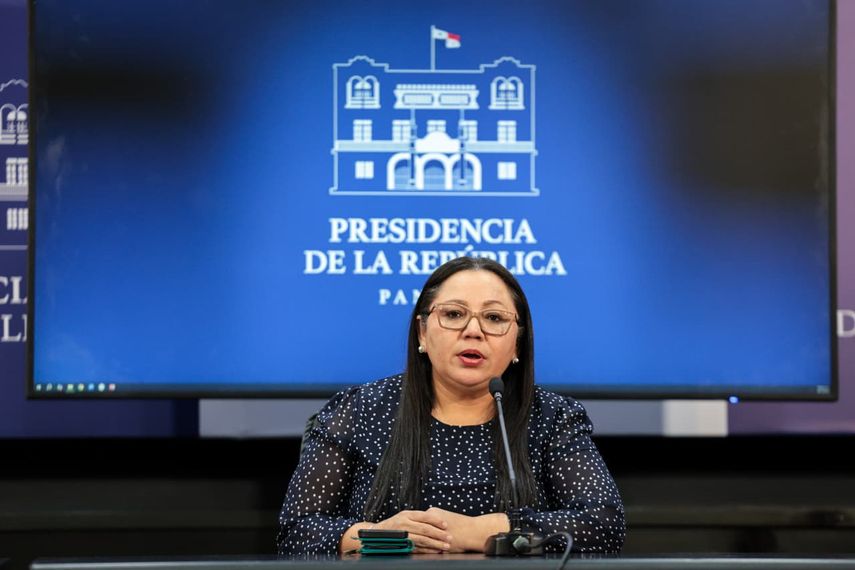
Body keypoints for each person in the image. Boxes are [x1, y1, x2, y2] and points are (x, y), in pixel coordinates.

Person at [276, 256, 625, 555]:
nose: (473, 330)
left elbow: (604, 523)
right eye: (454, 314)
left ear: (518, 344)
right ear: (422, 334)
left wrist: (475, 532)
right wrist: (376, 535)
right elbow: (296, 531)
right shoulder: (359, 411)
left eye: (494, 318)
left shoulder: (553, 418)